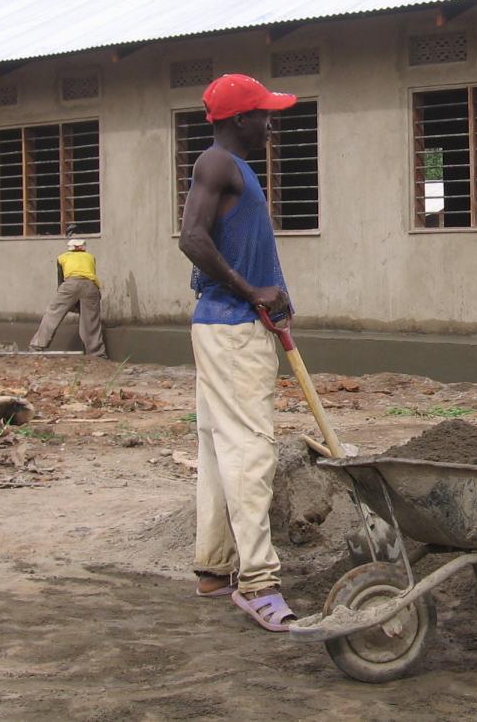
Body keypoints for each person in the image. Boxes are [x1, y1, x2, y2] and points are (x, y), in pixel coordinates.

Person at [179, 72, 298, 633]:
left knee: (216, 447)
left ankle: (213, 566)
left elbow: (240, 247)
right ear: (239, 120)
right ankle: (258, 583)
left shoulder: (238, 170)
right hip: (232, 329)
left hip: (231, 325)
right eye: (264, 114)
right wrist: (252, 292)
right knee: (251, 449)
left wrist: (274, 292)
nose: (271, 124)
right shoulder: (217, 163)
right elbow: (192, 238)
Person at [29, 238, 106, 357]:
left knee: (53, 313)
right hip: (91, 287)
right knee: (91, 321)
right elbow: (90, 276)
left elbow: (60, 282)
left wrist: (65, 299)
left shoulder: (62, 257)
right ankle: (97, 354)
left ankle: (36, 348)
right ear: (83, 247)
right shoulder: (90, 257)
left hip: (70, 284)